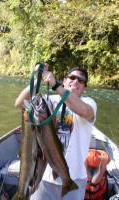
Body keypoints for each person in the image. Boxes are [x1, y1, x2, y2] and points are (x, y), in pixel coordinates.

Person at [15, 64, 97, 200]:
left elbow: (85, 112)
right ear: (65, 81)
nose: (76, 81)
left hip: (74, 178)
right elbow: (20, 103)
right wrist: (39, 79)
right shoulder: (49, 101)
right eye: (72, 77)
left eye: (81, 80)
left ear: (84, 87)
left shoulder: (89, 103)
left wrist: (55, 85)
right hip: (45, 177)